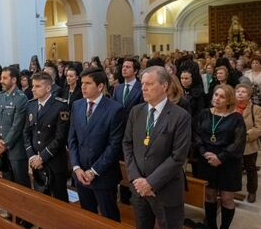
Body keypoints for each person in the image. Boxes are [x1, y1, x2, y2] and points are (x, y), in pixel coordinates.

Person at [123, 66, 191, 229]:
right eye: (142, 84)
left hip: (166, 190)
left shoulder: (180, 116)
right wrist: (136, 178)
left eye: (149, 84)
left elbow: (178, 157)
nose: (143, 88)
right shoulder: (136, 111)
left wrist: (150, 183)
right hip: (139, 189)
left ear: (164, 86)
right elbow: (127, 144)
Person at [68, 67, 124, 221]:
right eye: (82, 83)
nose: (83, 87)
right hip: (80, 174)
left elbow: (114, 146)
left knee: (109, 218)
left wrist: (93, 171)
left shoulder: (115, 109)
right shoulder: (77, 105)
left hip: (103, 175)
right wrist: (77, 167)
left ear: (100, 86)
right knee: (88, 217)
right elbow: (72, 140)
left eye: (88, 83)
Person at [195, 85, 246, 229]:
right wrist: (204, 152)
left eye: (221, 96)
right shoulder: (204, 113)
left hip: (228, 162)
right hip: (206, 160)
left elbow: (239, 142)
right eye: (216, 95)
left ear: (229, 100)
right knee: (209, 196)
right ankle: (211, 226)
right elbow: (197, 134)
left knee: (226, 198)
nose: (217, 98)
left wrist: (221, 157)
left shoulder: (236, 118)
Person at [23, 72, 70, 202]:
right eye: (33, 86)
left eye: (37, 86)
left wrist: (42, 158)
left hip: (54, 162)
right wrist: (32, 157)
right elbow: (26, 133)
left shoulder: (60, 106)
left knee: (59, 200)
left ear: (48, 88)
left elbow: (60, 138)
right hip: (36, 162)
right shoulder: (31, 105)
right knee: (41, 199)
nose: (33, 89)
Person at [111, 58, 143, 205]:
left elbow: (142, 112)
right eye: (123, 67)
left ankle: (134, 197)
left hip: (134, 133)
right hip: (118, 133)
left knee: (131, 165)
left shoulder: (140, 87)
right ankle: (124, 198)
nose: (124, 69)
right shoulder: (118, 88)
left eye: (128, 67)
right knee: (120, 166)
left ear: (135, 71)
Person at [0, 66, 30, 187]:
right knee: (7, 182)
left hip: (16, 150)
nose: (1, 81)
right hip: (2, 147)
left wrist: (5, 144)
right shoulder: (1, 96)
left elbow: (17, 126)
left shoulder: (21, 98)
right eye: (1, 78)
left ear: (14, 80)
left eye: (4, 78)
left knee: (21, 184)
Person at [235, 84, 261, 203]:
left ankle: (252, 191)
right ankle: (233, 188)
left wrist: (244, 136)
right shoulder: (230, 107)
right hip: (233, 144)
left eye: (243, 92)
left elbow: (259, 128)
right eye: (238, 91)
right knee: (234, 167)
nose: (240, 93)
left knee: (250, 168)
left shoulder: (255, 109)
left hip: (248, 144)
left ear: (249, 95)